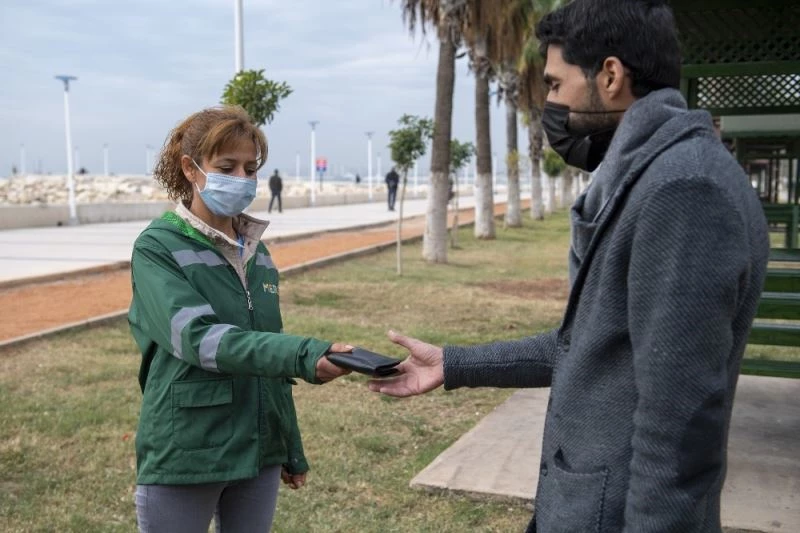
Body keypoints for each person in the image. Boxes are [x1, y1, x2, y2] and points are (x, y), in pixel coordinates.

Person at [369, 1, 769, 532]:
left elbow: (680, 426)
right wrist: (455, 364)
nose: (551, 104)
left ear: (611, 76)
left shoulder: (683, 189)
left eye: (556, 85)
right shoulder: (652, 175)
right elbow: (592, 344)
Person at [128, 105, 353, 533]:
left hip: (258, 449)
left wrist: (288, 444)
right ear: (191, 169)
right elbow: (200, 339)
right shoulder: (157, 247)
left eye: (251, 169)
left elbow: (269, 355)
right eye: (226, 167)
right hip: (188, 449)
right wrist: (304, 355)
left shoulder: (256, 251)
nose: (242, 178)